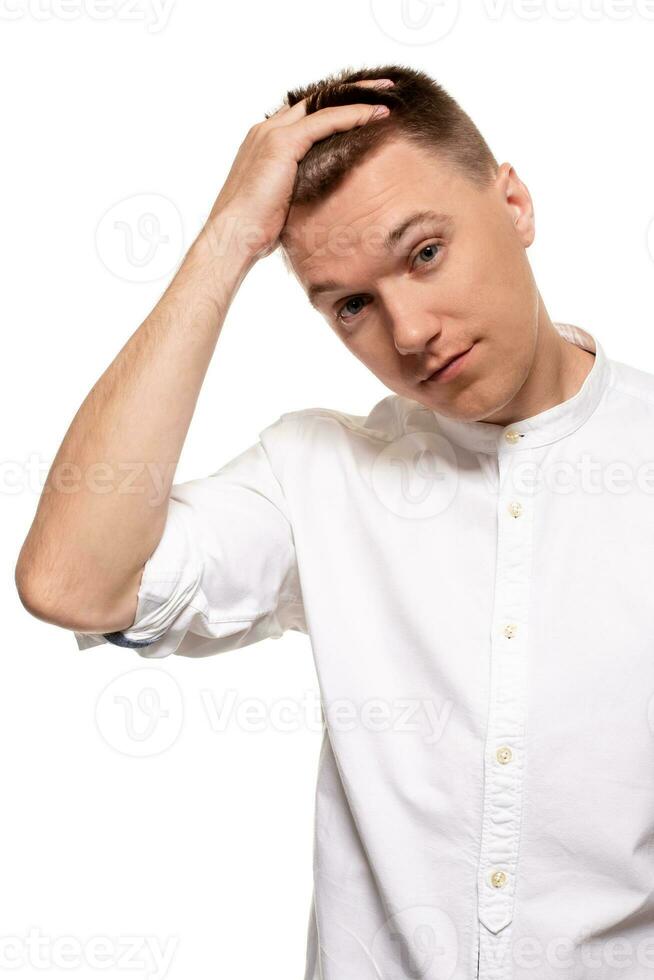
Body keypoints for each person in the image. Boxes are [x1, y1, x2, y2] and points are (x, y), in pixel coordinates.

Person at [14, 64, 654, 980]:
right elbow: (71, 583)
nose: (409, 331)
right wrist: (227, 238)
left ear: (512, 202)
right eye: (350, 304)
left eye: (424, 252)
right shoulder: (319, 473)